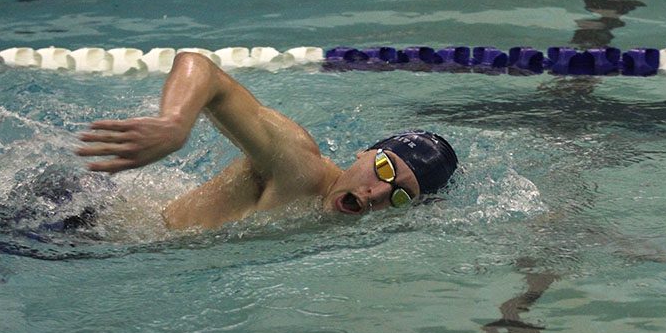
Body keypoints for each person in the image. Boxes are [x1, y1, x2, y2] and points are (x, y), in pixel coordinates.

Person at [77, 51, 458, 229]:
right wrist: (174, 123)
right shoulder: (298, 166)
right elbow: (202, 69)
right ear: (363, 153)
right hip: (82, 222)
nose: (377, 193)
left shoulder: (341, 222)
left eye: (400, 195)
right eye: (383, 168)